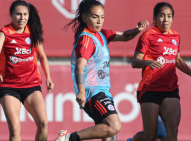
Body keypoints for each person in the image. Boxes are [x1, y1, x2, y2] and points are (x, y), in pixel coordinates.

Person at [54, 0, 148, 141]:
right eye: (95, 17)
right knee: (114, 127)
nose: (99, 21)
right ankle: (68, 138)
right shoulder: (86, 39)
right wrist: (81, 91)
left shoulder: (102, 34)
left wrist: (137, 30)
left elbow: (124, 36)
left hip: (102, 91)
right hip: (92, 92)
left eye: (102, 17)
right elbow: (79, 66)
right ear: (85, 18)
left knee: (109, 135)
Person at [128, 2, 191, 141]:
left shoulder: (176, 36)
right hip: (150, 89)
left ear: (173, 18)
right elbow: (134, 62)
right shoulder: (147, 36)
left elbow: (177, 59)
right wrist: (147, 62)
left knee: (172, 132)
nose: (166, 19)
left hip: (170, 89)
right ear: (155, 18)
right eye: (162, 16)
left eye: (169, 16)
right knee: (150, 136)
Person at [0, 0, 54, 141]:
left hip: (31, 85)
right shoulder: (4, 33)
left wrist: (48, 77)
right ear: (11, 15)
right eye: (18, 14)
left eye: (25, 14)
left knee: (43, 123)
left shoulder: (32, 33)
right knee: (15, 128)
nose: (22, 18)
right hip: (9, 87)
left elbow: (42, 57)